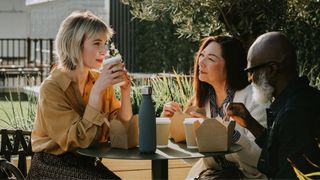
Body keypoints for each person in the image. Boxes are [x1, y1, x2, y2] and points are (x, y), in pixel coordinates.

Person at [27, 10, 132, 179]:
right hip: (50, 164)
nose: (104, 50)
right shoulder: (52, 88)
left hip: (86, 162)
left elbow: (120, 126)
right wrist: (97, 92)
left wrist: (125, 91)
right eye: (97, 43)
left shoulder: (98, 80)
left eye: (105, 43)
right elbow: (77, 140)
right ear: (74, 44)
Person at [162, 35, 269, 179]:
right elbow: (191, 157)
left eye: (211, 59)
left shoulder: (254, 99)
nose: (201, 63)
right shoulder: (202, 100)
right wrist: (171, 123)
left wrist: (225, 132)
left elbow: (261, 158)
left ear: (230, 66)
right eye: (202, 55)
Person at [227, 31, 320, 178]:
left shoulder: (293, 114)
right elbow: (280, 150)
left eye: (252, 71)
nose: (250, 79)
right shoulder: (302, 99)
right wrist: (250, 123)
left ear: (271, 70)